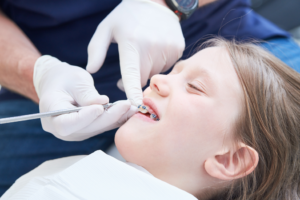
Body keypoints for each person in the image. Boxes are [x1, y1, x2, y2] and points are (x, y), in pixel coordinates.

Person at [0, 0, 300, 195]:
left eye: (194, 86)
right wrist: (39, 75)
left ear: (229, 159)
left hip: (223, 36)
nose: (157, 77)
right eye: (172, 73)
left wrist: (168, 5)